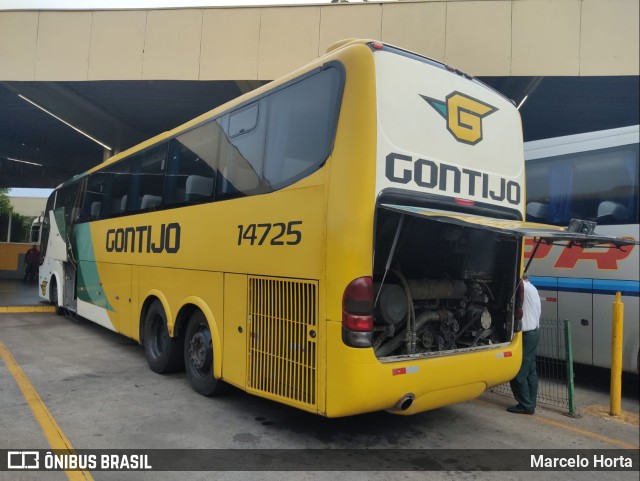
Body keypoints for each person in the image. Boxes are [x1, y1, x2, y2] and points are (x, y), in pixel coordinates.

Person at [507, 273, 541, 415]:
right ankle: (531, 402)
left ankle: (525, 405)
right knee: (531, 371)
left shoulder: (521, 288)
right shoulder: (532, 288)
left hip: (526, 335)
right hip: (534, 332)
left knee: (518, 371)